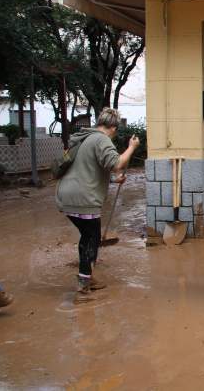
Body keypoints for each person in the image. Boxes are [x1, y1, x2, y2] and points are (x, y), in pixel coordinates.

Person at [56, 108, 140, 303]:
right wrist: (132, 146)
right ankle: (83, 285)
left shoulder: (85, 138)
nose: (115, 133)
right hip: (83, 199)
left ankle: (88, 277)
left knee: (88, 236)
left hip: (66, 195)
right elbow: (117, 163)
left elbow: (87, 171)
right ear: (112, 127)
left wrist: (112, 182)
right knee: (91, 238)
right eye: (116, 130)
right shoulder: (101, 140)